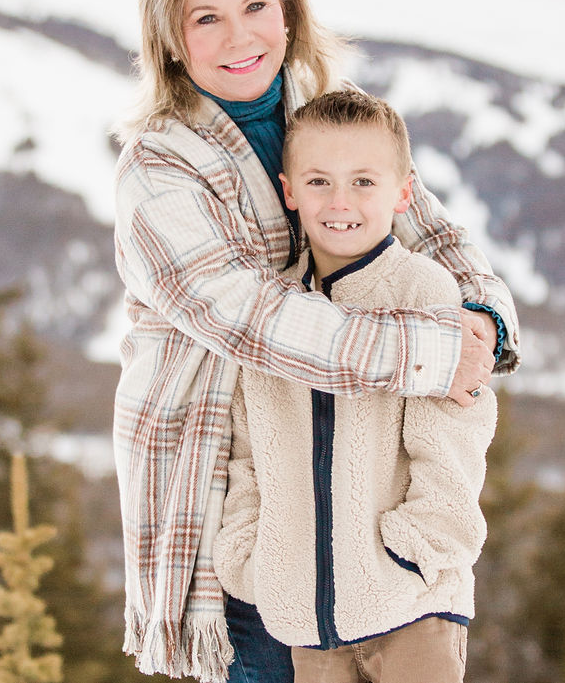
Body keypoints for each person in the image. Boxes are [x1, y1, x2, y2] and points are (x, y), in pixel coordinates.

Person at [112, 0, 520, 683]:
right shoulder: (158, 167)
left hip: (356, 494)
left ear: (289, 10)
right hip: (231, 500)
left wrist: (484, 322)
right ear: (168, 36)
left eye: (256, 6)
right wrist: (437, 353)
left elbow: (433, 234)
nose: (241, 38)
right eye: (207, 17)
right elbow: (254, 320)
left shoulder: (327, 115)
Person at [213, 89, 498, 683]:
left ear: (403, 192)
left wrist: (414, 551)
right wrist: (253, 562)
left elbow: (453, 444)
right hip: (308, 624)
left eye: (364, 182)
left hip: (411, 610)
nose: (340, 202)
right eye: (318, 182)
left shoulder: (424, 294)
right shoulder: (273, 313)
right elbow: (247, 454)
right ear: (289, 190)